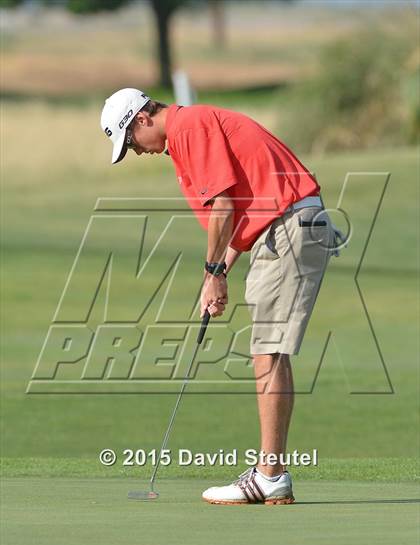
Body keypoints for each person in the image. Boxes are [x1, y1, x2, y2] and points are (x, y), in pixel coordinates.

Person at [101, 88, 335, 505]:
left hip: (290, 225)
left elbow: (225, 206)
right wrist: (220, 270)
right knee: (269, 349)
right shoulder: (189, 130)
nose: (136, 152)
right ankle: (271, 474)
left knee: (268, 351)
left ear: (141, 120)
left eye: (131, 142)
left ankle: (270, 475)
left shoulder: (189, 128)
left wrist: (211, 272)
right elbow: (245, 207)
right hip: (286, 223)